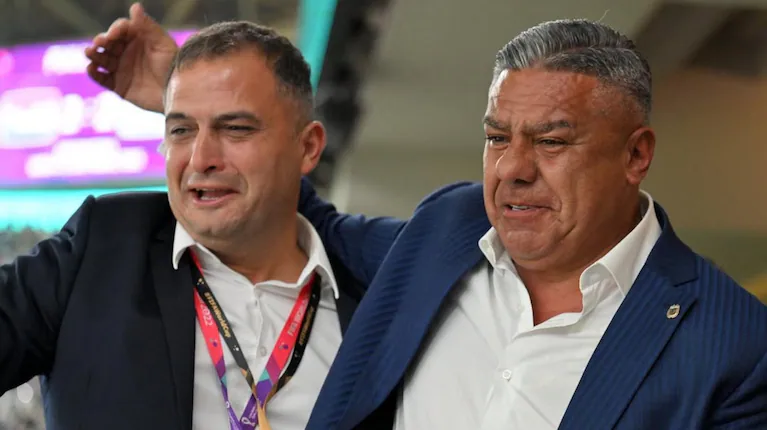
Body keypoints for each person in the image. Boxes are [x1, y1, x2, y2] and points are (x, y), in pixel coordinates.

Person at [88, 8, 767, 430]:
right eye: (496, 137)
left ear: (635, 155)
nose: (512, 169)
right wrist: (191, 92)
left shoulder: (735, 346)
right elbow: (292, 206)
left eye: (552, 141)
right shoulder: (449, 230)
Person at [1, 20, 369, 430]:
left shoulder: (375, 295)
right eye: (181, 130)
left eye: (235, 129)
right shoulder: (103, 247)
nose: (200, 159)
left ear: (308, 147)